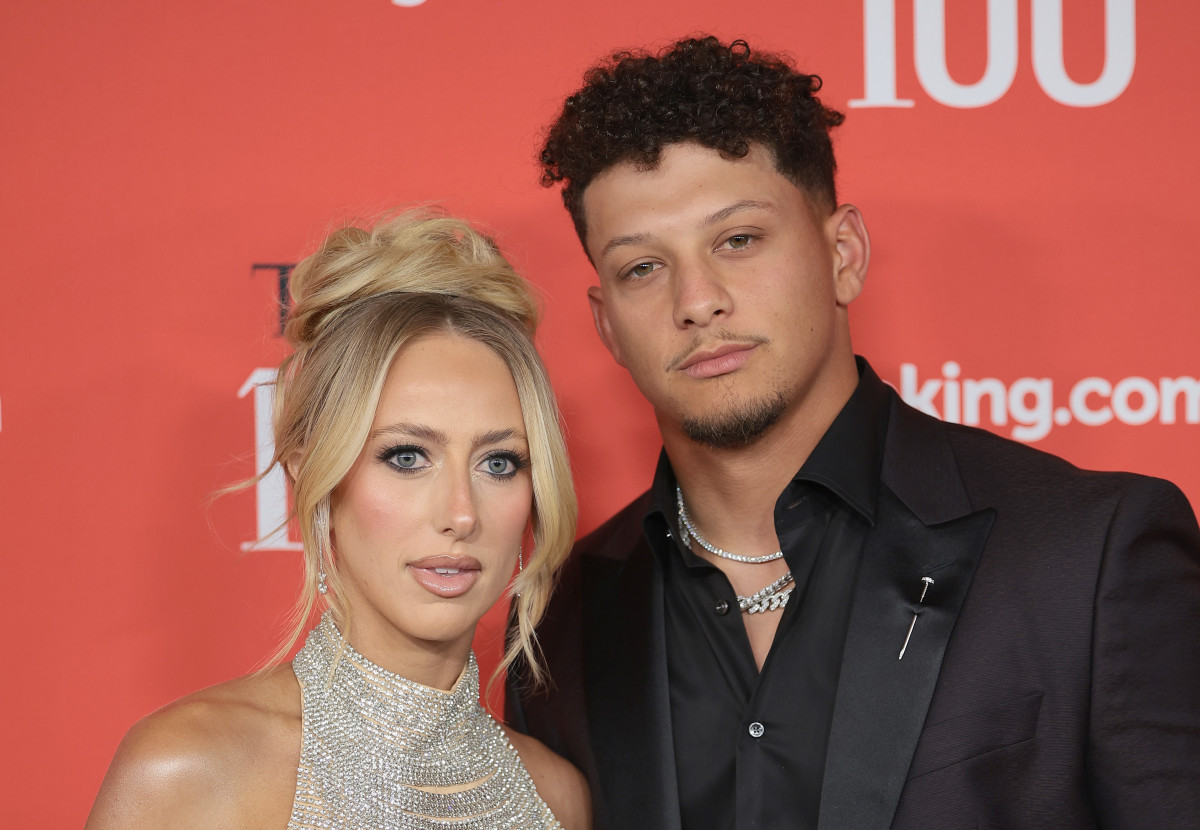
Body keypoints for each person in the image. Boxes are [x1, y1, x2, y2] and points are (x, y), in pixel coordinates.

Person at [506, 36, 1200, 830]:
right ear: (606, 326)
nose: (696, 300)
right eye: (642, 268)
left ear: (844, 254)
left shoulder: (1087, 554)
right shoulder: (557, 628)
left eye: (738, 240)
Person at [87, 212, 591, 829]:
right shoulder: (192, 771)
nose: (460, 513)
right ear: (313, 476)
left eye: (499, 462)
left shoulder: (557, 796)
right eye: (407, 457)